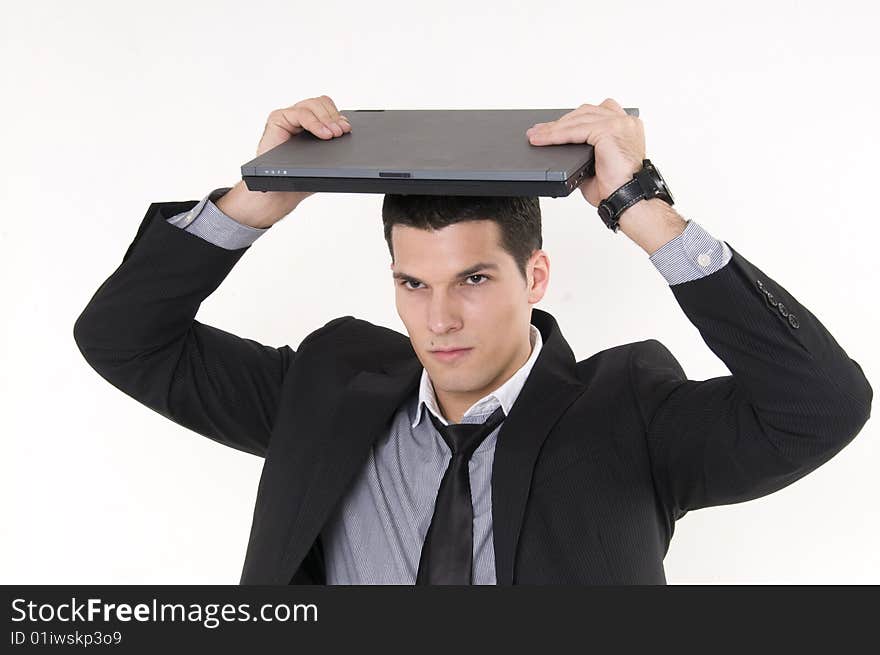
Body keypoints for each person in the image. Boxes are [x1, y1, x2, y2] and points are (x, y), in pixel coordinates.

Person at [73, 95, 872, 585]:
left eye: (474, 280)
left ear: (537, 276)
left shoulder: (629, 413)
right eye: (412, 284)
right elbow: (122, 338)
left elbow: (822, 405)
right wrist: (259, 191)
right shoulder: (324, 387)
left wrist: (639, 204)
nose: (439, 318)